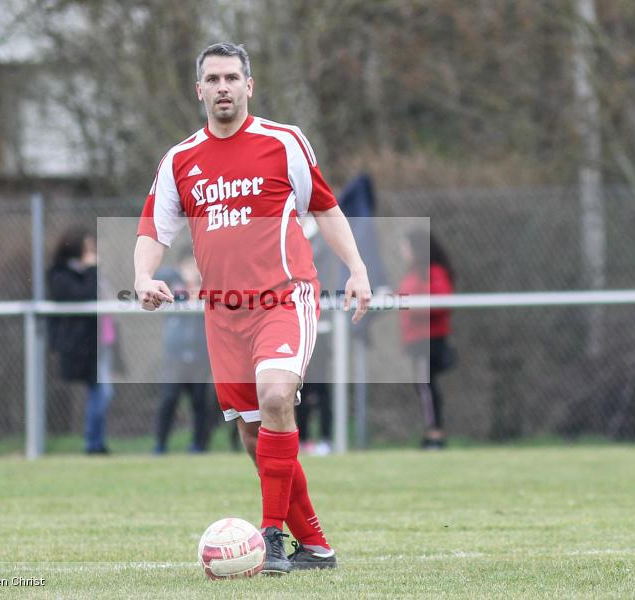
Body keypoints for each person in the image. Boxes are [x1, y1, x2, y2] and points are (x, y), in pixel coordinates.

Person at [133, 42, 371, 574]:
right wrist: (143, 276)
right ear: (199, 90)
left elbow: (326, 207)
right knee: (250, 432)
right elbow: (154, 228)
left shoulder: (282, 142)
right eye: (212, 79)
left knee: (276, 395)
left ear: (249, 85)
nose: (222, 87)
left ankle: (270, 536)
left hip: (285, 298)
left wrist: (356, 270)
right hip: (222, 313)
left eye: (231, 78)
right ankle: (317, 546)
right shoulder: (179, 160)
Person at [48, 227, 115, 455]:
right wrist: (92, 269)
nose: (91, 252)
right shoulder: (60, 274)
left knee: (102, 392)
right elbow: (85, 295)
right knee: (101, 392)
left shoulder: (91, 272)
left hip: (101, 341)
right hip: (81, 345)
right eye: (87, 248)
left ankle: (96, 442)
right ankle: (92, 443)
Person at [398, 231, 455, 450]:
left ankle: (435, 433)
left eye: (406, 248)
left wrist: (414, 308)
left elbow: (441, 302)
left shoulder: (433, 272)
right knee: (423, 386)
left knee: (426, 385)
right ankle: (432, 431)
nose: (404, 253)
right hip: (415, 340)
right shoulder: (413, 273)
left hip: (429, 339)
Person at [153, 251, 212, 454]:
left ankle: (199, 445)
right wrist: (182, 280)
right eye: (188, 266)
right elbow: (158, 277)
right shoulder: (172, 285)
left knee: (200, 402)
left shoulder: (207, 287)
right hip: (176, 358)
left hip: (200, 357)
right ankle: (160, 445)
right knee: (169, 400)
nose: (192, 271)